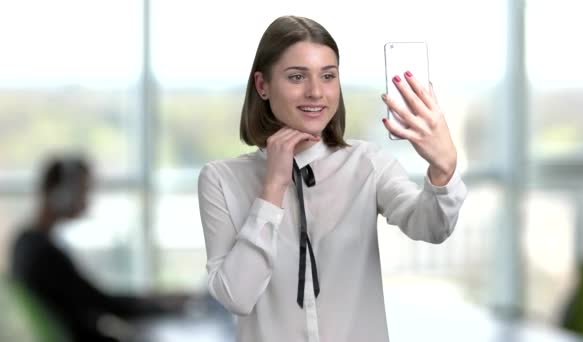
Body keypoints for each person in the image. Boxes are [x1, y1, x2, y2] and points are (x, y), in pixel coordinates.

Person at [197, 15, 467, 342]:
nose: (315, 92)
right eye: (297, 77)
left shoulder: (367, 163)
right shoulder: (221, 179)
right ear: (262, 86)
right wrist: (272, 190)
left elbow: (431, 226)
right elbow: (236, 296)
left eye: (328, 76)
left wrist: (443, 169)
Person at [10, 155, 187, 342]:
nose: (87, 199)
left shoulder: (26, 243)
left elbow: (92, 299)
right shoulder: (43, 253)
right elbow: (101, 303)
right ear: (61, 194)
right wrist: (163, 305)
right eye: (83, 190)